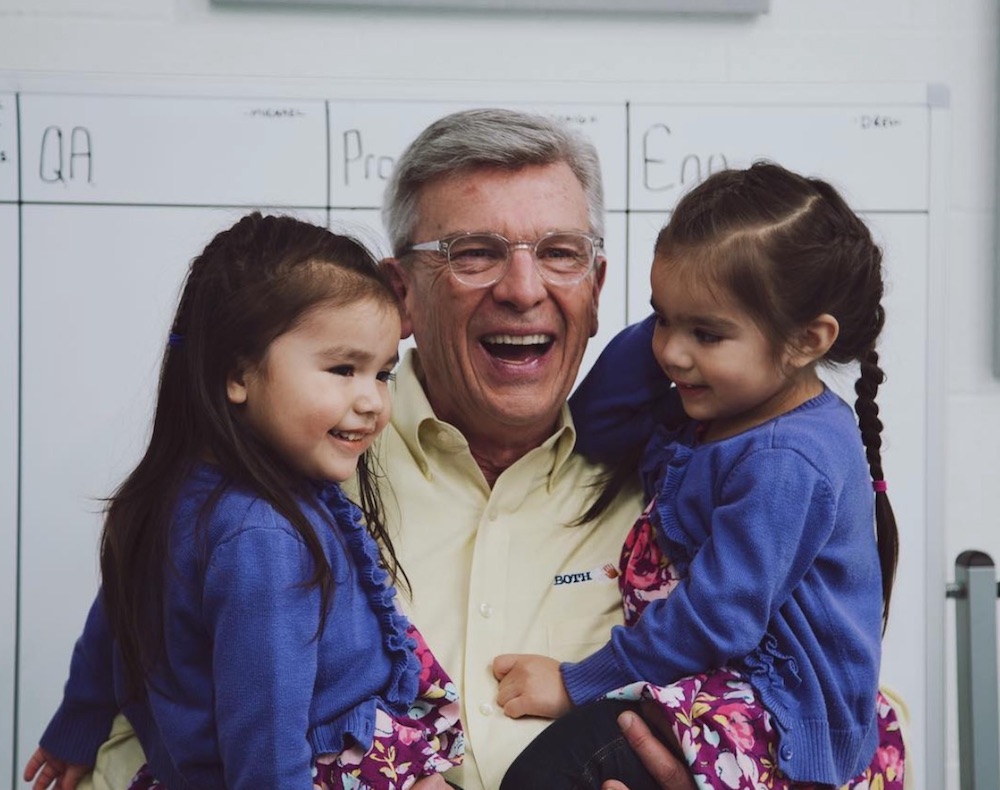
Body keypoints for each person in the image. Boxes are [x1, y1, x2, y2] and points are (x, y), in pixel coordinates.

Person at [494, 162, 907, 789]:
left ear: (806, 341)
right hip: (723, 678)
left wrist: (577, 683)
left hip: (777, 712)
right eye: (664, 318)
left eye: (707, 333)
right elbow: (594, 424)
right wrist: (677, 321)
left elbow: (717, 618)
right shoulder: (714, 408)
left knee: (555, 769)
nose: (674, 353)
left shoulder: (787, 459)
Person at [23, 213, 463, 790]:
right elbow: (267, 728)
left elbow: (115, 616)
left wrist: (77, 724)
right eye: (342, 369)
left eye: (382, 373)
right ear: (238, 374)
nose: (373, 402)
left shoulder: (179, 493)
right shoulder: (263, 538)